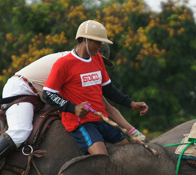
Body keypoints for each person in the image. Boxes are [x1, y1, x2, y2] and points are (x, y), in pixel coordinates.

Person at [0, 30, 146, 175]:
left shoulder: (90, 66)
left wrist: (133, 132)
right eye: (100, 60)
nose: (99, 69)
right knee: (20, 131)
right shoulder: (70, 65)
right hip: (23, 87)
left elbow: (106, 108)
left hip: (44, 93)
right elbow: (101, 106)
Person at [42, 19, 148, 156]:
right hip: (82, 124)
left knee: (129, 156)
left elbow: (108, 89)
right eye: (97, 42)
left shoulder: (97, 58)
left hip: (102, 120)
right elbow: (48, 94)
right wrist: (73, 108)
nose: (100, 46)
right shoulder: (63, 64)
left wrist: (131, 103)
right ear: (85, 40)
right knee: (102, 158)